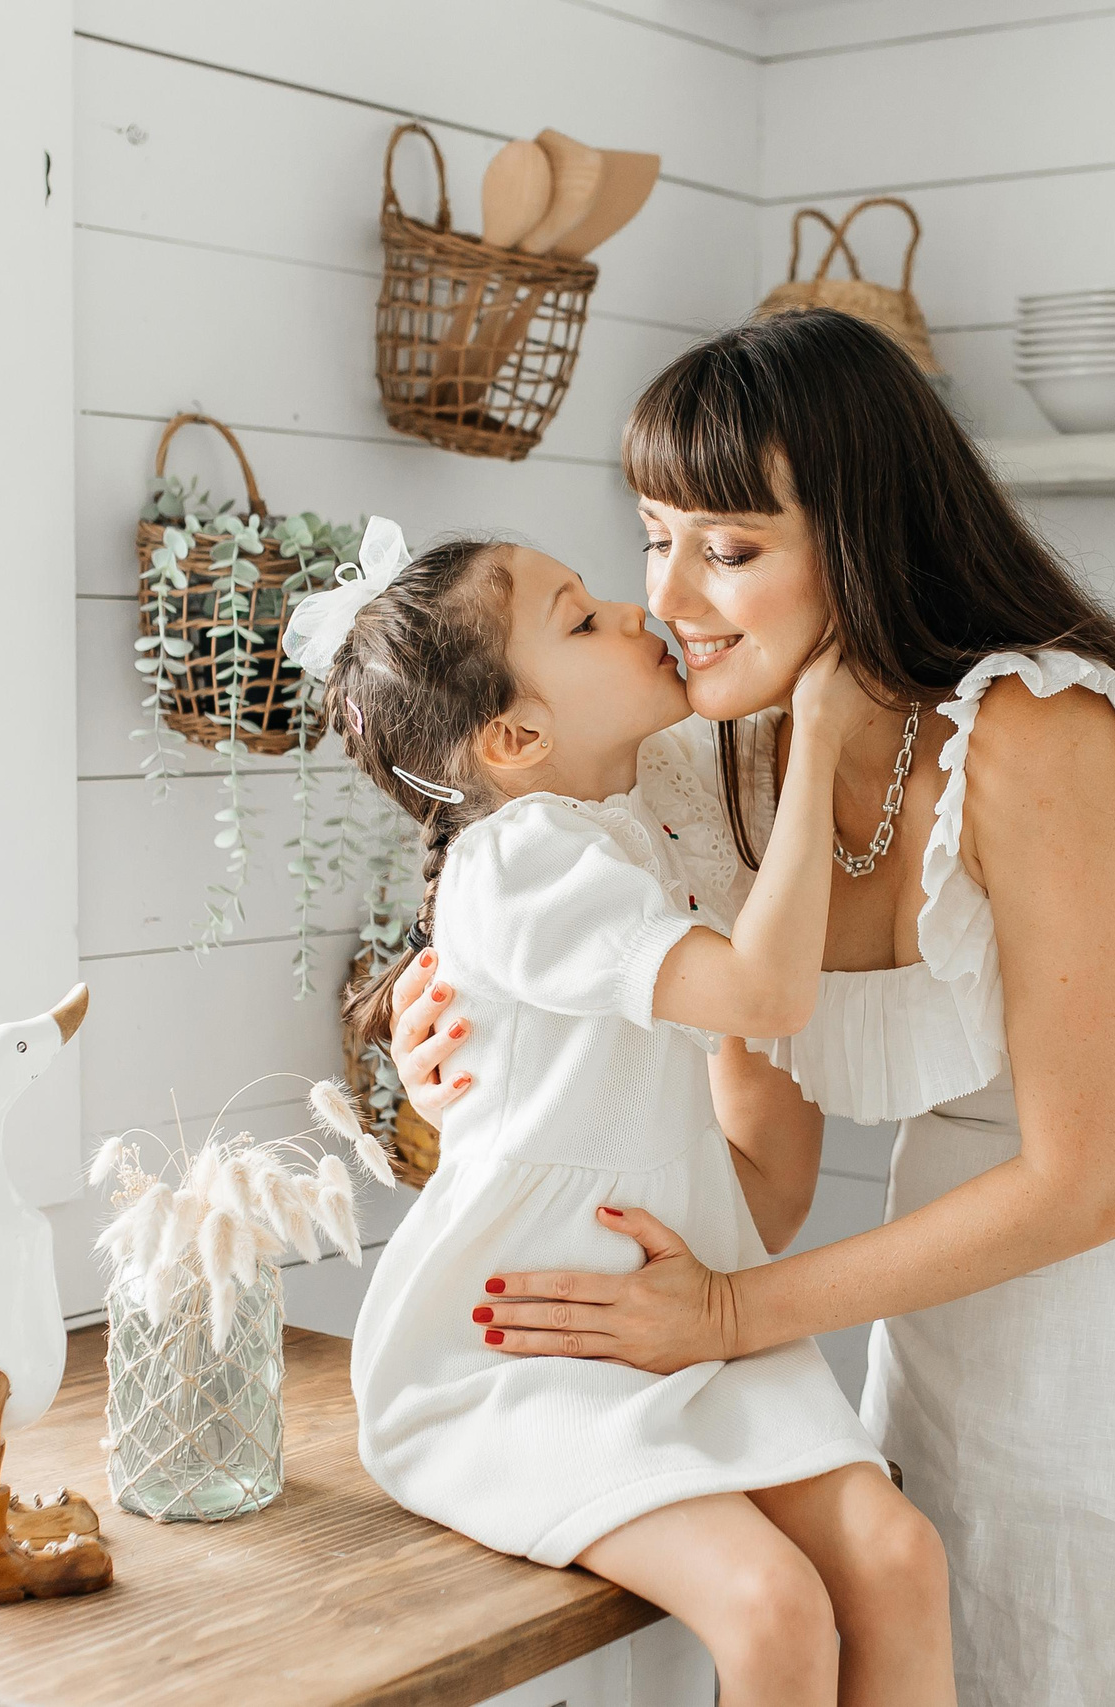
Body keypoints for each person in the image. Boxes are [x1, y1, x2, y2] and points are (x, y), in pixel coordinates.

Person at [385, 310, 1115, 1707]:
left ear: (863, 538)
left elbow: (1085, 1182)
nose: (674, 594)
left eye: (732, 547)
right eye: (655, 536)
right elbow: (756, 1158)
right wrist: (454, 1033)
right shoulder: (715, 758)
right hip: (948, 1305)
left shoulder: (1043, 735)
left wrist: (733, 1313)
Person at [285, 515, 957, 1707]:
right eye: (583, 619)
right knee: (771, 1602)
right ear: (517, 735)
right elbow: (765, 991)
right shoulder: (520, 858)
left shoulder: (624, 818)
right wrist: (816, 742)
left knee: (898, 1555)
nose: (637, 610)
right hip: (522, 1349)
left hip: (666, 1306)